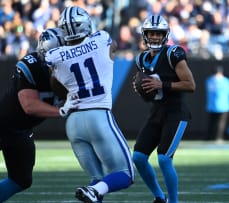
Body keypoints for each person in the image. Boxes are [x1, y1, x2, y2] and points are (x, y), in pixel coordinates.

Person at [45, 6, 135, 203]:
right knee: (125, 174)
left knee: (97, 183)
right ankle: (94, 191)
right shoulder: (102, 39)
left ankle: (93, 191)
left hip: (74, 122)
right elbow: (113, 48)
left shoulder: (55, 55)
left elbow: (56, 86)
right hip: (98, 115)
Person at [0, 27, 77, 202]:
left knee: (21, 180)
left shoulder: (71, 71)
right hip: (3, 124)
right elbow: (29, 105)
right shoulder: (30, 65)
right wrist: (61, 111)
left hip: (22, 130)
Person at [131, 15, 196, 203]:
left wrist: (163, 85)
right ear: (144, 35)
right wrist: (141, 89)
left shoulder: (173, 54)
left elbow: (190, 85)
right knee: (138, 157)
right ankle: (159, 197)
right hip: (156, 112)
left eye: (158, 33)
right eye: (150, 33)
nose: (154, 37)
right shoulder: (141, 59)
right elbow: (149, 92)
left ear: (164, 35)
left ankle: (174, 201)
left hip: (176, 112)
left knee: (164, 159)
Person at [205, 65, 229, 142]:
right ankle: (217, 138)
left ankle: (213, 137)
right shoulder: (225, 80)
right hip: (223, 106)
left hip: (215, 106)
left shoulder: (209, 80)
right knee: (219, 123)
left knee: (214, 123)